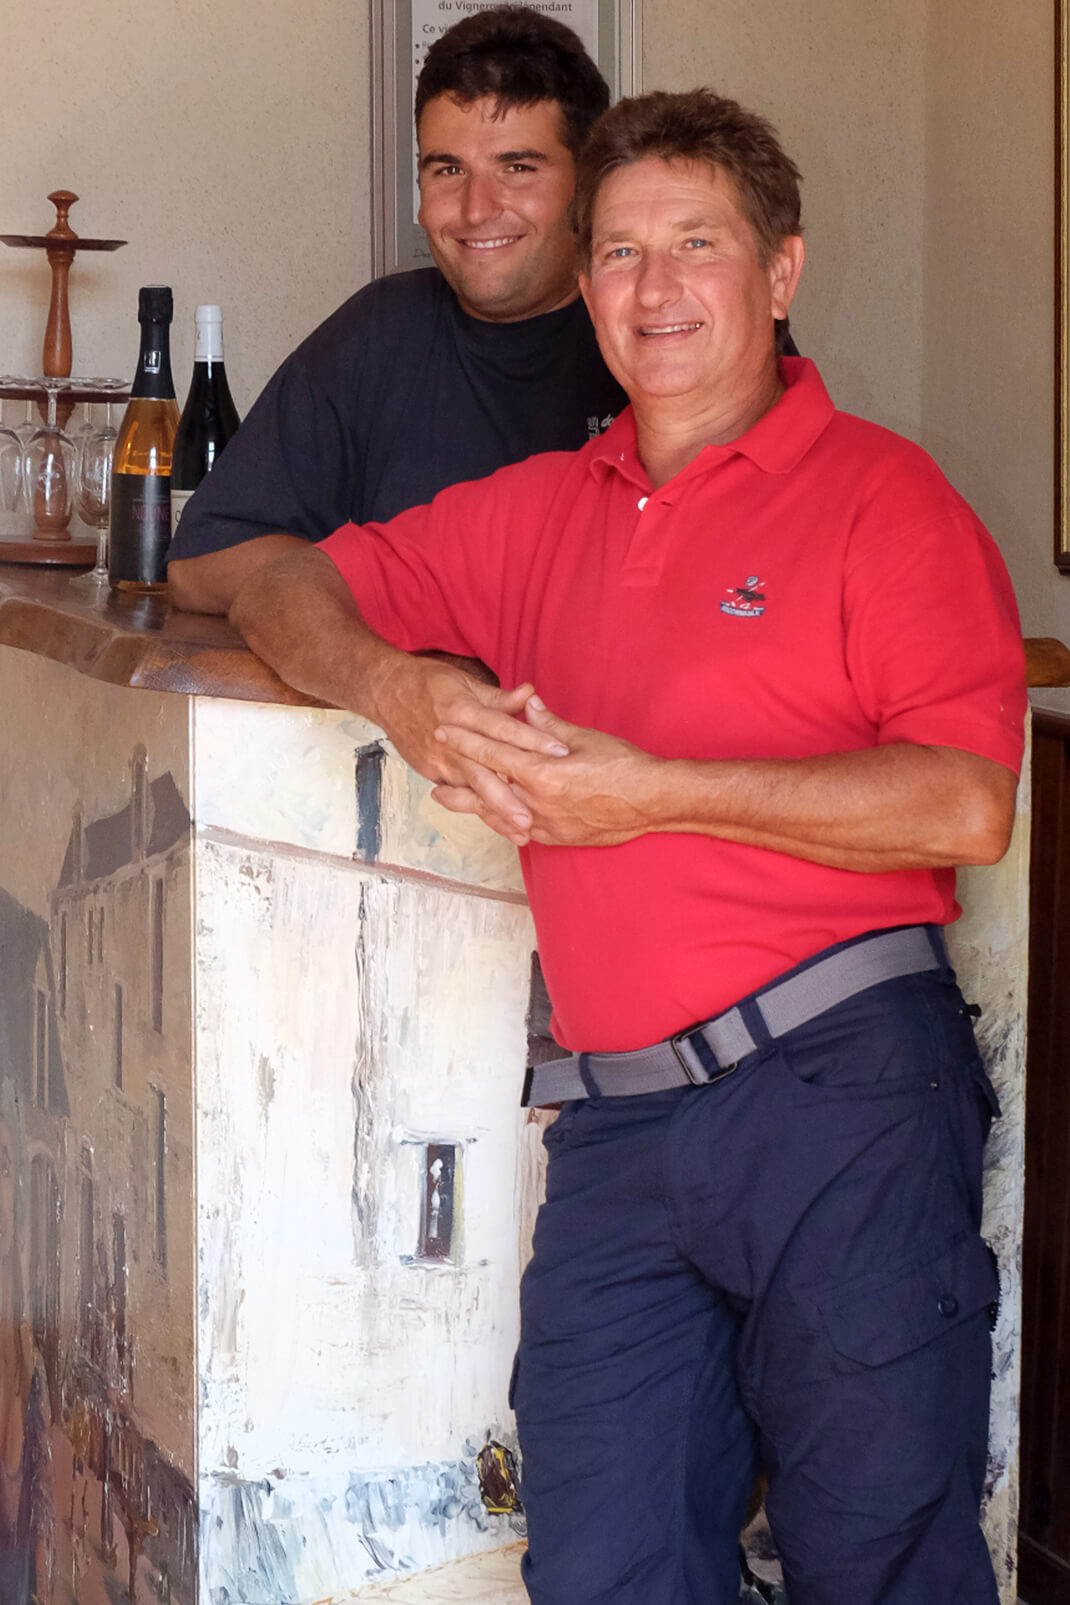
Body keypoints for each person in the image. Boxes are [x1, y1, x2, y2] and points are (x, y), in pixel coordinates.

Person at [228, 88, 1027, 1605]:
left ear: (779, 272)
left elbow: (960, 804)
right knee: (602, 1565)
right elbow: (268, 579)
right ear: (582, 282)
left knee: (880, 1561)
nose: (652, 293)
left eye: (695, 248)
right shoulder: (543, 509)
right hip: (614, 1130)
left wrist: (649, 790)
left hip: (841, 1097)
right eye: (615, 255)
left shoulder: (888, 503)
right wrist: (398, 686)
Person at [166, 5, 626, 614]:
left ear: (590, 186)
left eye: (517, 168)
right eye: (447, 170)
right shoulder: (379, 331)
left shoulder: (655, 324)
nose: (475, 209)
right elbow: (200, 564)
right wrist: (393, 597)